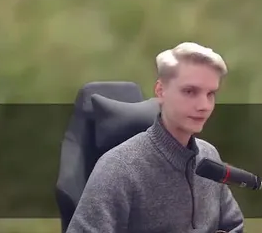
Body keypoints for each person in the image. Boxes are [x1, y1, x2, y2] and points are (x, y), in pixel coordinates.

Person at [68, 42, 245, 233]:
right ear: (160, 91)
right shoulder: (118, 168)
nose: (204, 105)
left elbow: (234, 225)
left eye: (210, 94)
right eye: (190, 91)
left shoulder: (209, 155)